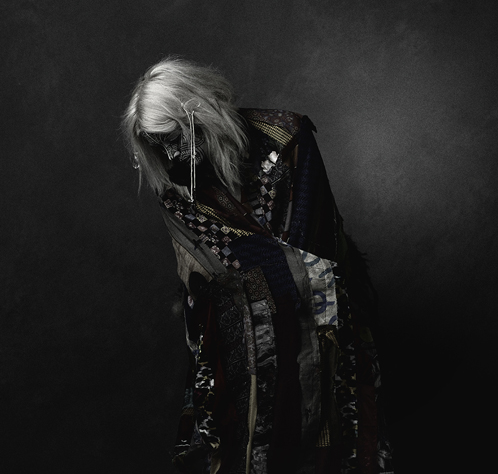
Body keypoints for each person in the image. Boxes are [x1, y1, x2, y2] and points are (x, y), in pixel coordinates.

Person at [123, 57, 393, 474]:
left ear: (198, 113)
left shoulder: (286, 139)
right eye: (157, 145)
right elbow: (202, 273)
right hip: (239, 346)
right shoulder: (175, 185)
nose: (170, 153)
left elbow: (312, 249)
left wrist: (254, 277)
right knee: (250, 446)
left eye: (174, 138)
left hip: (323, 324)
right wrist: (243, 283)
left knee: (332, 440)